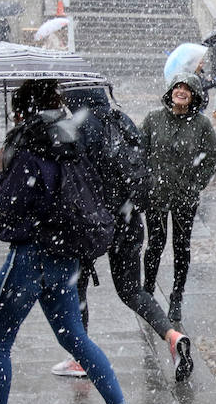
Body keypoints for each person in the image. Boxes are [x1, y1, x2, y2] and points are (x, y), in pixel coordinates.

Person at [0, 79, 142, 404]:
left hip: (31, 257)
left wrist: (4, 169)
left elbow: (5, 206)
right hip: (66, 255)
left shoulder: (27, 145)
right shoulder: (71, 138)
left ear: (21, 109)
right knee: (74, 336)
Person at [48, 88, 194, 382]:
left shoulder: (75, 127)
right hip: (128, 217)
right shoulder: (122, 120)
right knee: (131, 290)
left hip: (92, 223)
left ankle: (80, 357)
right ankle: (172, 335)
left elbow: (67, 179)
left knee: (78, 287)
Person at [140, 73, 216, 321]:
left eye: (187, 88)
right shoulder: (153, 119)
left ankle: (177, 295)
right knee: (155, 244)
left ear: (194, 95)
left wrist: (196, 185)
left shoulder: (201, 125)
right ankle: (148, 290)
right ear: (170, 91)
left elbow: (210, 160)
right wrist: (145, 182)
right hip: (157, 195)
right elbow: (140, 152)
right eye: (178, 87)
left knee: (181, 246)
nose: (181, 91)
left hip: (185, 196)